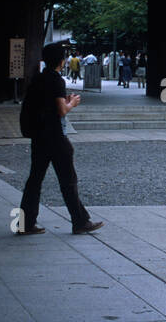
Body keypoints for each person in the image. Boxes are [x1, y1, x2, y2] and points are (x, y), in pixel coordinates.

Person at [17, 43, 104, 236]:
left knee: (34, 180)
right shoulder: (56, 80)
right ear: (61, 61)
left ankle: (24, 223)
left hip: (39, 136)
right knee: (68, 180)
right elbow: (61, 110)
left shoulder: (38, 79)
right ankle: (80, 221)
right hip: (55, 136)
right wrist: (72, 102)